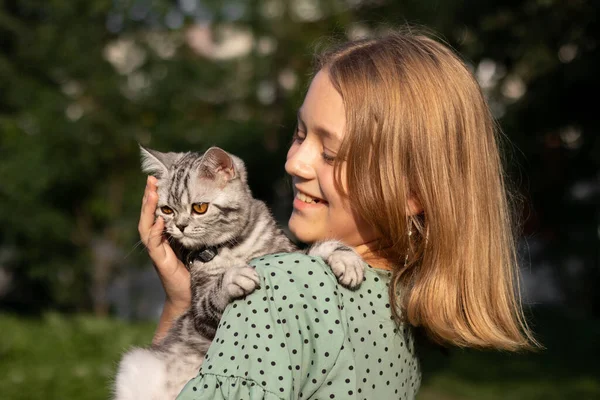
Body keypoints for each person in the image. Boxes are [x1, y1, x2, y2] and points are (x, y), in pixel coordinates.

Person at [138, 30, 538, 399]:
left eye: (330, 153)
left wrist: (175, 310)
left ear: (412, 194)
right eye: (299, 134)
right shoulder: (403, 306)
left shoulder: (278, 289)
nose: (295, 163)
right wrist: (185, 298)